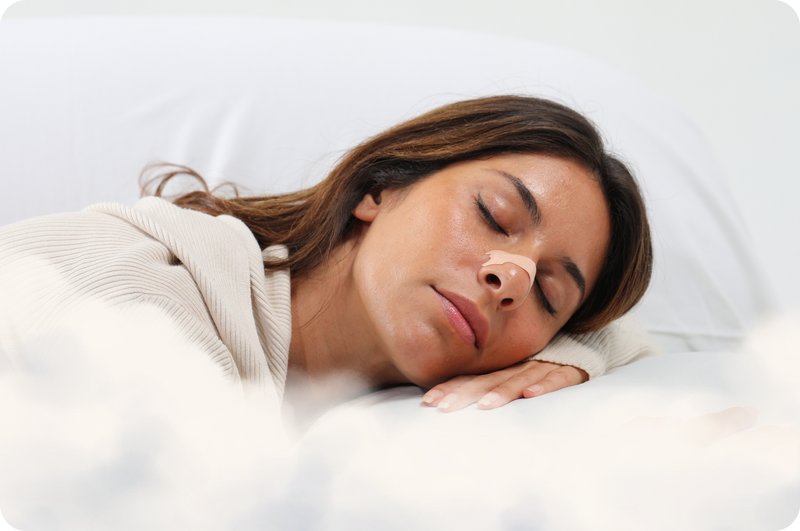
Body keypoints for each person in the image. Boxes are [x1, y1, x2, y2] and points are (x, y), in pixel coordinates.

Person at [0, 95, 652, 425]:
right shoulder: (146, 289)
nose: (510, 281)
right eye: (495, 215)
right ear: (379, 188)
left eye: (549, 297)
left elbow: (633, 333)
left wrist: (571, 356)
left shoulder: (332, 393)